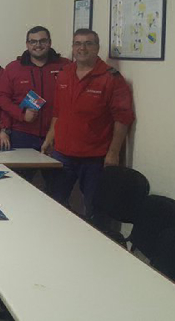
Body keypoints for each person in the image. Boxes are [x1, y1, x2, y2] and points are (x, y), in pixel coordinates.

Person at [41, 29, 135, 216]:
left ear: (97, 48)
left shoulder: (112, 78)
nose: (82, 48)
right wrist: (49, 138)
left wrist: (113, 153)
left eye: (88, 43)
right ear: (73, 47)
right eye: (77, 43)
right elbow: (58, 112)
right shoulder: (64, 74)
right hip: (63, 154)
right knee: (55, 204)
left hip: (95, 158)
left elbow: (122, 119)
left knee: (94, 209)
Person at [0, 26, 70, 181]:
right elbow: (2, 98)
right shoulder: (13, 68)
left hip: (57, 135)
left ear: (49, 43)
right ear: (27, 44)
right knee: (19, 184)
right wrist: (21, 115)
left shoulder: (66, 67)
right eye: (33, 41)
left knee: (57, 187)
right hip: (23, 135)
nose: (38, 45)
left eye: (42, 41)